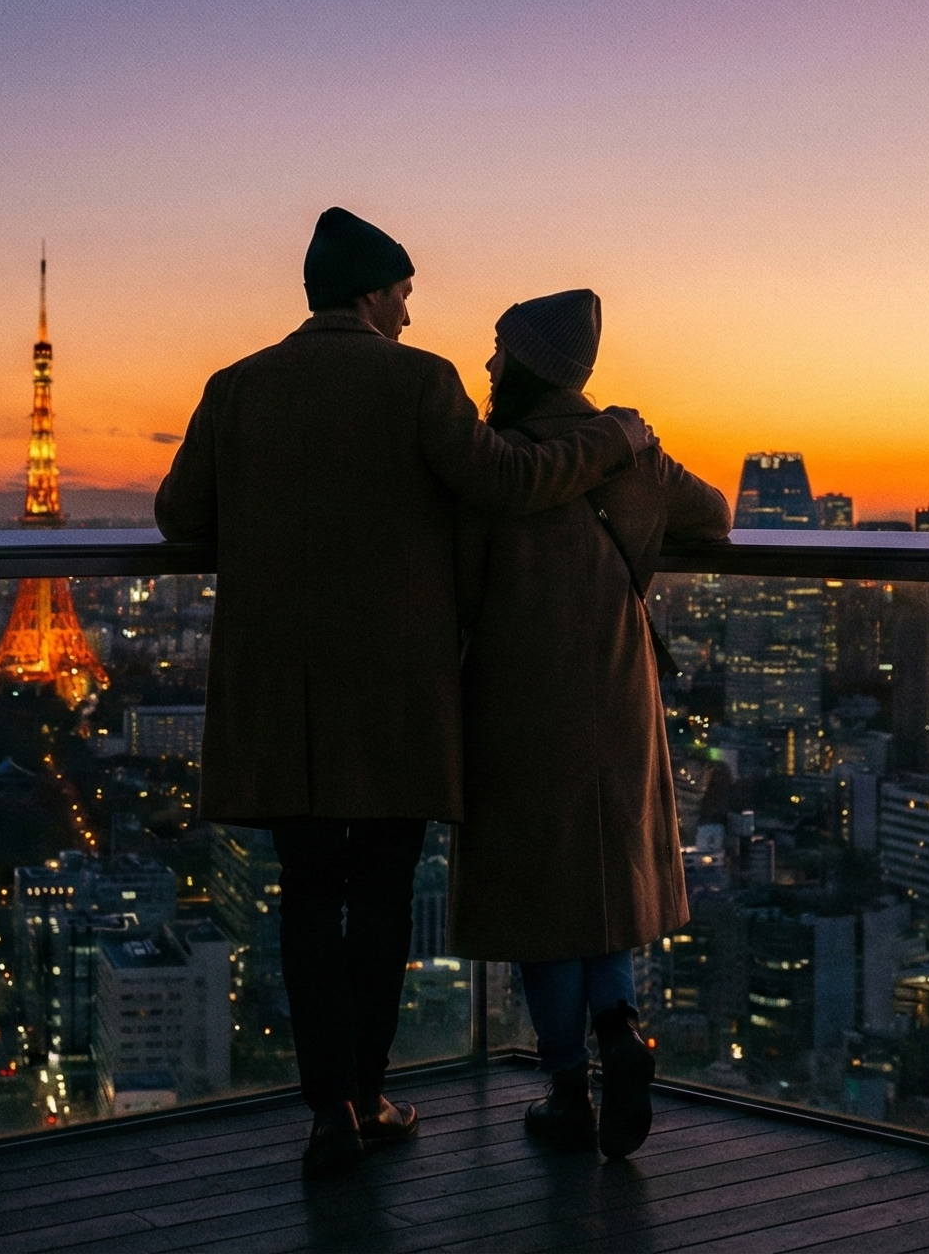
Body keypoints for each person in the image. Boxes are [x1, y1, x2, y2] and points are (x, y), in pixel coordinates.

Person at [154, 208, 657, 1178]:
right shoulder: (418, 382)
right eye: (406, 295)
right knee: (380, 895)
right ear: (374, 293)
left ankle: (325, 1114)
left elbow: (181, 517)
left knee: (305, 899)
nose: (413, 314)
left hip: (280, 695)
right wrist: (609, 443)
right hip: (393, 692)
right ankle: (370, 1092)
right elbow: (505, 481)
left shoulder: (236, 386)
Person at [448, 288, 730, 1161]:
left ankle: (569, 1086)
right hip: (618, 692)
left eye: (500, 350)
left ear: (529, 361)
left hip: (519, 699)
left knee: (542, 897)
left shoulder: (494, 461)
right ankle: (620, 1026)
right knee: (604, 884)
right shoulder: (631, 452)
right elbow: (715, 516)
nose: (489, 365)